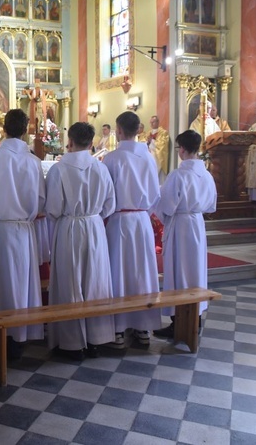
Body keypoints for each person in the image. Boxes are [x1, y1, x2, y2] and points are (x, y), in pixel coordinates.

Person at [0, 109, 46, 357]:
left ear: (4, 128)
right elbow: (40, 199)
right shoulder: (34, 162)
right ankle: (19, 335)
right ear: (25, 130)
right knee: (20, 281)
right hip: (24, 231)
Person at [45, 122, 116, 360]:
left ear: (70, 141)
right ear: (90, 141)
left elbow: (53, 208)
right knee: (95, 280)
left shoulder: (59, 170)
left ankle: (71, 342)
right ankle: (96, 339)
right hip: (94, 226)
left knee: (70, 281)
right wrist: (93, 217)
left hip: (69, 227)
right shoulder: (100, 168)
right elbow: (110, 205)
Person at [102, 111, 161, 348]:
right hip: (141, 221)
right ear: (138, 130)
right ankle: (142, 326)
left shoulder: (112, 159)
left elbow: (107, 195)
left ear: (118, 130)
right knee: (142, 273)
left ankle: (117, 329)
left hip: (119, 221)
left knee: (118, 272)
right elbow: (155, 194)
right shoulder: (148, 157)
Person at [152, 130, 217, 338]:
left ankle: (178, 321)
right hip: (197, 223)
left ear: (182, 149)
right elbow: (211, 205)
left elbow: (166, 206)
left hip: (180, 225)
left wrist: (160, 214)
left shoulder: (178, 175)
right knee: (195, 271)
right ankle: (195, 318)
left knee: (178, 271)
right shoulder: (206, 175)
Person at [147, 115, 170, 184]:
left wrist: (152, 141)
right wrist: (147, 142)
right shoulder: (148, 133)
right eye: (150, 122)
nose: (151, 124)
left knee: (159, 180)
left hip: (158, 157)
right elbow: (144, 142)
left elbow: (163, 145)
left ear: (157, 122)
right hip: (149, 155)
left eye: (153, 122)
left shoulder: (163, 133)